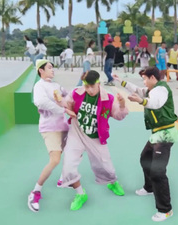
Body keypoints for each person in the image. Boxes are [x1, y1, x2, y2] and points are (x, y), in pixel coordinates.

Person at [54, 70, 129, 211]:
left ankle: (112, 182)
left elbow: (119, 115)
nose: (89, 89)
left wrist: (123, 105)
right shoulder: (77, 92)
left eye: (91, 86)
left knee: (106, 165)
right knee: (68, 166)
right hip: (77, 133)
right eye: (86, 86)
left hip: (96, 136)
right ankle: (80, 194)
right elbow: (66, 102)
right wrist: (59, 100)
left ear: (98, 83)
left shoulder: (109, 98)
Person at [113, 66, 178, 222]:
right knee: (145, 158)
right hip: (157, 134)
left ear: (153, 78)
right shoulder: (151, 89)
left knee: (157, 171)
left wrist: (140, 101)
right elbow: (136, 89)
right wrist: (120, 81)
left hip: (165, 134)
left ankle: (165, 209)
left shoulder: (161, 90)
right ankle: (149, 188)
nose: (143, 81)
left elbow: (155, 103)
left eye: (144, 78)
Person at [27, 59, 70, 212]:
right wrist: (62, 109)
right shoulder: (39, 86)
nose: (53, 70)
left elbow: (67, 97)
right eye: (50, 68)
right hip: (50, 128)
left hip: (64, 126)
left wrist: (66, 101)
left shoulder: (56, 85)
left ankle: (63, 179)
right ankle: (35, 192)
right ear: (41, 70)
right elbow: (41, 102)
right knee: (55, 160)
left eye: (53, 68)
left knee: (71, 152)